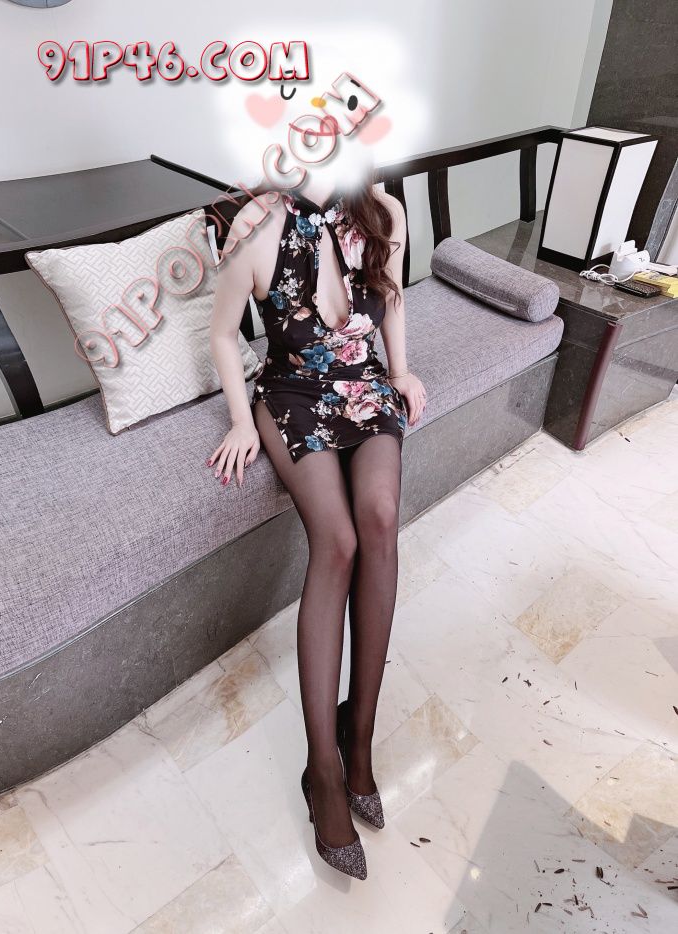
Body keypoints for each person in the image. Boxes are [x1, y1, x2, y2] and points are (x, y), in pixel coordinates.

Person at [207, 172, 427, 880]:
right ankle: (323, 770)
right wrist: (241, 421)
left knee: (381, 517)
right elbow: (222, 334)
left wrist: (402, 370)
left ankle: (359, 739)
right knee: (337, 541)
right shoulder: (257, 228)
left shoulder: (383, 211)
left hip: (364, 386)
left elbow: (392, 298)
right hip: (292, 392)